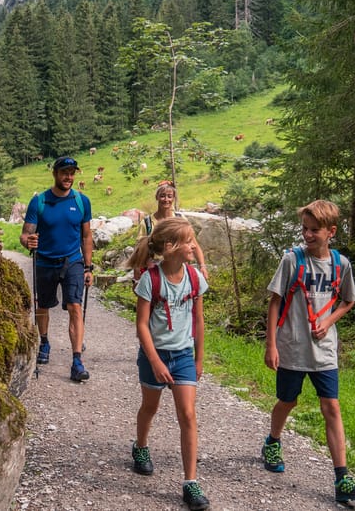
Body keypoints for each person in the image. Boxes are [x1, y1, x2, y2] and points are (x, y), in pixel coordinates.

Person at [260, 199, 355, 503]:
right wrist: (271, 344)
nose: (307, 235)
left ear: (331, 231)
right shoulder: (291, 260)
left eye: (314, 230)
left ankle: (341, 479)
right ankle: (272, 441)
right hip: (291, 348)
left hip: (324, 352)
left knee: (331, 408)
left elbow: (349, 301)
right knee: (287, 401)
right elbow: (274, 301)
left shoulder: (341, 264)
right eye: (304, 229)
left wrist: (329, 321)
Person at [124, 217, 209, 510]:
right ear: (171, 247)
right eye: (188, 241)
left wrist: (199, 357)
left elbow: (198, 319)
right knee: (150, 407)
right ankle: (141, 447)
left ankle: (190, 482)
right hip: (155, 356)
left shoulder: (195, 278)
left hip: (183, 355)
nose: (193, 246)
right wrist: (155, 361)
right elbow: (142, 325)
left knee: (187, 414)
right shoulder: (150, 279)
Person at [20, 156, 95, 383]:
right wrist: (28, 241)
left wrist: (88, 267)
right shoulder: (40, 201)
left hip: (72, 261)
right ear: (55, 173)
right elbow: (25, 234)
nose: (68, 177)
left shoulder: (82, 201)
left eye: (72, 173)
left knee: (75, 305)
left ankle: (77, 360)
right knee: (43, 306)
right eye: (64, 172)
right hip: (45, 261)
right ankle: (44, 341)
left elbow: (86, 235)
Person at [135, 181, 208, 281]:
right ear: (157, 197)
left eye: (169, 196)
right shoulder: (147, 223)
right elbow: (139, 249)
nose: (166, 200)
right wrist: (136, 269)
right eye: (162, 196)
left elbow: (193, 244)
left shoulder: (180, 219)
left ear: (173, 198)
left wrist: (202, 266)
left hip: (178, 268)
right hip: (154, 271)